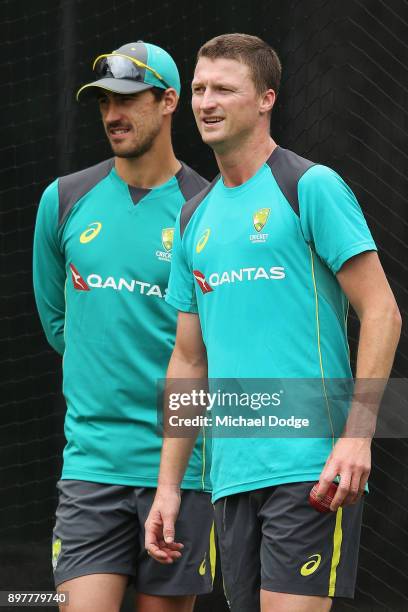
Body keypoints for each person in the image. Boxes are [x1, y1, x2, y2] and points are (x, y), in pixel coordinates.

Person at [144, 33, 402, 612]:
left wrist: (359, 435)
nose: (207, 102)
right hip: (230, 477)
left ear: (266, 99)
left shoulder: (309, 186)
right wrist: (167, 488)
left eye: (224, 89)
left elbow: (382, 311)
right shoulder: (194, 217)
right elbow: (189, 359)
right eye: (199, 89)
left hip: (310, 467)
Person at [33, 40, 214, 612]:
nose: (113, 114)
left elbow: (211, 348)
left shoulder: (206, 211)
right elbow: (58, 323)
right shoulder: (63, 200)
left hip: (183, 471)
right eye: (104, 101)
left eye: (129, 100)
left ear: (168, 102)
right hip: (92, 467)